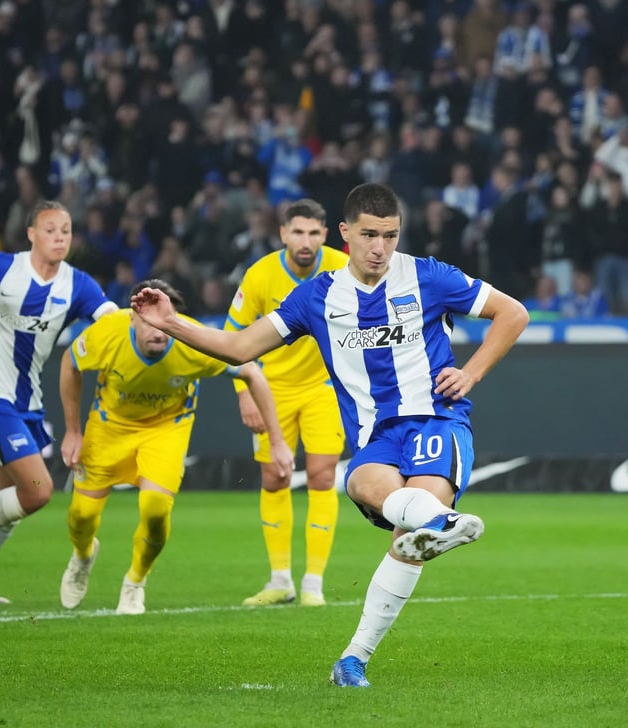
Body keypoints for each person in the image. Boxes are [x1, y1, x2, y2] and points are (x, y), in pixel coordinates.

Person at [132, 183, 529, 687]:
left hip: (436, 421)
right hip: (374, 436)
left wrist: (470, 373)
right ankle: (442, 524)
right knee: (364, 486)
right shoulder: (318, 296)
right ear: (345, 235)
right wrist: (171, 322)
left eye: (390, 235)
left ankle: (354, 659)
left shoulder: (428, 276)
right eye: (369, 235)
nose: (380, 248)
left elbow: (512, 313)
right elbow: (238, 347)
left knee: (410, 529)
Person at [57, 279, 294, 615]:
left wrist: (279, 442)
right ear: (132, 318)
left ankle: (135, 581)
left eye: (163, 322)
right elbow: (69, 362)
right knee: (82, 516)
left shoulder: (191, 340)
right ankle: (82, 556)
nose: (158, 330)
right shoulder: (106, 333)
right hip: (110, 428)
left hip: (166, 430)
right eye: (148, 322)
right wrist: (71, 431)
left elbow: (253, 374)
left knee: (155, 509)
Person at [0, 200, 118, 604]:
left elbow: (111, 320)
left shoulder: (77, 284)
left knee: (11, 502)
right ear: (30, 233)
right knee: (38, 491)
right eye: (50, 229)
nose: (59, 237)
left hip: (28, 399)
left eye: (66, 230)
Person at [225, 199, 349, 607]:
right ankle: (280, 580)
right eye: (298, 232)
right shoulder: (260, 275)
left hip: (323, 388)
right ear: (283, 234)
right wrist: (245, 394)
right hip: (270, 389)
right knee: (275, 478)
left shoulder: (341, 267)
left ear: (325, 235)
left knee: (322, 476)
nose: (306, 241)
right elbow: (233, 336)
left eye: (314, 233)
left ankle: (313, 583)